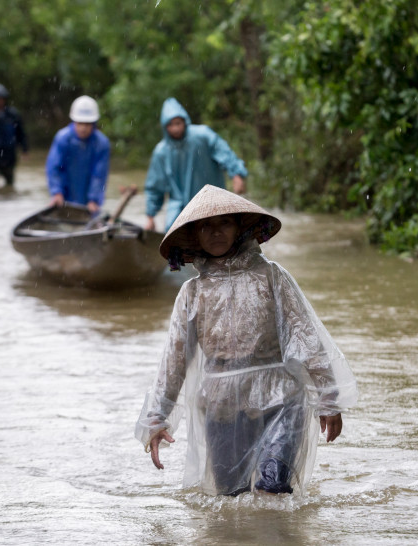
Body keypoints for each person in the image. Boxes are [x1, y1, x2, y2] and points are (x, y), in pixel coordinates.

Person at [135, 185, 358, 496]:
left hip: (279, 397)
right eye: (206, 227)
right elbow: (174, 360)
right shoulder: (192, 292)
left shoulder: (271, 276)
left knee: (273, 487)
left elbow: (304, 336)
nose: (215, 233)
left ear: (239, 227)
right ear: (195, 236)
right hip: (221, 404)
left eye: (224, 223)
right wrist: (157, 418)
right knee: (231, 498)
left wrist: (328, 398)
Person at [144, 98, 249, 232]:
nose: (175, 128)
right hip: (180, 208)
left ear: (184, 121)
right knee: (173, 238)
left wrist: (236, 174)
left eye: (178, 123)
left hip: (212, 202)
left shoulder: (203, 136)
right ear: (165, 127)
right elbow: (155, 186)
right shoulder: (161, 152)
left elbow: (224, 153)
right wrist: (150, 216)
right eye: (170, 124)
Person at [45, 95, 110, 213]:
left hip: (88, 197)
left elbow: (99, 174)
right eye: (80, 123)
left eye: (87, 124)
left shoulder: (101, 143)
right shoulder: (62, 139)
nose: (83, 128)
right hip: (65, 194)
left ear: (94, 123)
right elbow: (54, 168)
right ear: (74, 121)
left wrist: (93, 199)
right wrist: (57, 192)